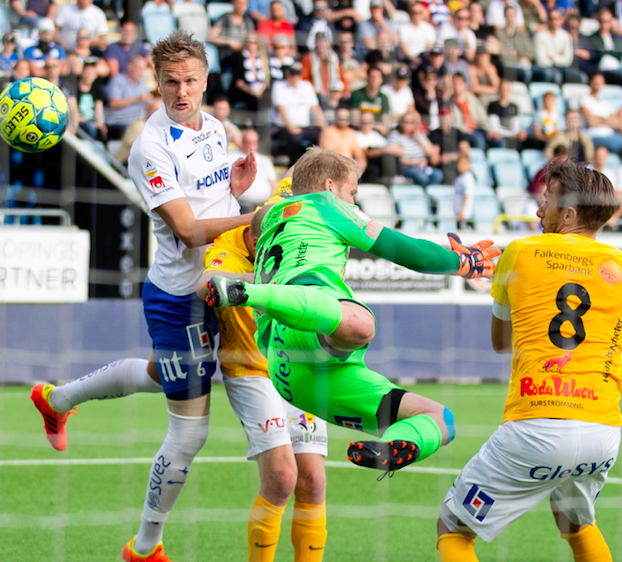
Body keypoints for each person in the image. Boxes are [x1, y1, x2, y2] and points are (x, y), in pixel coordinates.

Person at [29, 31, 258, 562]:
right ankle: (145, 547)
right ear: (155, 83)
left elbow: (211, 202)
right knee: (191, 431)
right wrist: (255, 216)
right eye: (171, 82)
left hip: (223, 281)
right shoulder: (149, 148)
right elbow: (188, 230)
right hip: (181, 297)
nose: (182, 92)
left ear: (205, 81)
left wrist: (237, 191)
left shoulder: (216, 128)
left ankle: (56, 399)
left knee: (162, 376)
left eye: (191, 81)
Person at [206, 147, 499, 478]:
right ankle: (247, 294)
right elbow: (405, 250)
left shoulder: (272, 216)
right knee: (360, 323)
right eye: (352, 192)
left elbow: (295, 180)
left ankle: (392, 447)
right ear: (330, 187)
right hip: (305, 326)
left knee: (439, 418)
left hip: (291, 368)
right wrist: (461, 262)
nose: (355, 204)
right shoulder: (327, 206)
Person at [436, 160, 621, 562]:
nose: (539, 211)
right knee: (576, 522)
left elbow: (501, 344)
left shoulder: (519, 252)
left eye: (547, 201)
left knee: (452, 527)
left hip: (537, 425)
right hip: (603, 431)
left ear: (568, 213)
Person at [197, 194, 330, 562]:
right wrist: (266, 280)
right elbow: (209, 284)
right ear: (257, 242)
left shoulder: (291, 227)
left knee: (313, 480)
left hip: (299, 366)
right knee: (283, 477)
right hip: (250, 370)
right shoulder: (229, 250)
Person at [272, 62, 325, 166]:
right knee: (295, 138)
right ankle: (293, 167)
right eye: (292, 74)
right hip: (283, 126)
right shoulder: (279, 86)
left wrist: (324, 127)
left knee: (321, 136)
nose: (294, 77)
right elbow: (281, 109)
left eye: (297, 75)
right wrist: (291, 127)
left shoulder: (306, 86)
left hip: (304, 126)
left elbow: (315, 108)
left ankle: (316, 165)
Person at [104, 55, 152, 140]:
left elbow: (147, 106)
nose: (141, 72)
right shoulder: (118, 80)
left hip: (138, 124)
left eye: (143, 69)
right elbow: (113, 103)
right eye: (139, 68)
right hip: (119, 123)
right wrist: (137, 99)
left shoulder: (142, 85)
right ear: (129, 67)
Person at [388, 114, 444, 187]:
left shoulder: (419, 135)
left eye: (411, 122)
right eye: (405, 122)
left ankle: (428, 195)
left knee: (438, 175)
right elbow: (397, 159)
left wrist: (418, 137)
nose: (407, 125)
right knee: (422, 178)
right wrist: (416, 162)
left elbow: (431, 152)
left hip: (422, 168)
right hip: (406, 168)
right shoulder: (395, 135)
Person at [229, 129, 278, 210]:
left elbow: (273, 182)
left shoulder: (265, 160)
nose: (251, 145)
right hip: (242, 203)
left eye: (254, 142)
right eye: (248, 142)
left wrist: (271, 202)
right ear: (242, 142)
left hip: (263, 204)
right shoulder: (231, 157)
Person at [533, 9, 581, 84]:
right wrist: (558, 55)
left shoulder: (566, 36)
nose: (554, 22)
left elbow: (567, 61)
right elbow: (541, 61)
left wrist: (551, 56)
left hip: (562, 68)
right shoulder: (540, 35)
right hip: (545, 68)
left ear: (560, 20)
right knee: (555, 76)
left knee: (581, 77)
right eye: (551, 19)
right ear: (548, 20)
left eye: (556, 19)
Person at [580, 72, 622, 154]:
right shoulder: (585, 99)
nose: (597, 84)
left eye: (600, 83)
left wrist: (598, 119)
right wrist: (607, 121)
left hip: (610, 136)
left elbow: (617, 123)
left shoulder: (606, 103)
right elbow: (591, 122)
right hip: (594, 136)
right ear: (591, 82)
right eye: (595, 82)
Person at [67, 58, 107, 139]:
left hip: (92, 122)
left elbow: (99, 110)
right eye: (87, 72)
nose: (89, 75)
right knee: (90, 128)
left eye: (92, 73)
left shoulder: (97, 90)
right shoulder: (74, 88)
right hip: (79, 122)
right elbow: (73, 111)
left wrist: (100, 124)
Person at [495, 5, 536, 84]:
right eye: (508, 15)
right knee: (526, 73)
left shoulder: (521, 33)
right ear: (504, 16)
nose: (511, 17)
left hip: (522, 64)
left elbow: (531, 52)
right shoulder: (499, 33)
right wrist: (519, 55)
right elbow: (502, 54)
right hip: (508, 65)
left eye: (512, 15)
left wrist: (519, 54)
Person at [451, 72, 492, 149]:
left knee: (498, 141)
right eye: (454, 84)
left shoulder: (472, 99)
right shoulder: (449, 103)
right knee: (478, 139)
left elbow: (482, 116)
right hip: (462, 132)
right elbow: (452, 123)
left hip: (478, 128)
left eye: (459, 84)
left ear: (464, 84)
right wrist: (463, 128)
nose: (456, 87)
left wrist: (490, 129)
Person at [430, 106, 471, 184]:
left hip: (457, 166)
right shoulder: (434, 135)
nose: (445, 119)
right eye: (443, 117)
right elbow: (434, 160)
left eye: (447, 117)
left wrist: (452, 156)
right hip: (442, 167)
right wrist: (443, 159)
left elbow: (466, 152)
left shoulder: (458, 133)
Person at [357, 110, 400, 185]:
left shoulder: (376, 135)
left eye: (369, 122)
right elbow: (365, 153)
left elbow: (395, 149)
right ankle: (389, 181)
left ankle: (394, 178)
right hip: (369, 166)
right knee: (387, 156)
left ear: (373, 123)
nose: (366, 125)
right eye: (363, 122)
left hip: (381, 165)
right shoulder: (356, 135)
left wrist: (389, 149)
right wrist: (384, 150)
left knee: (390, 156)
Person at [229, 33, 269, 112]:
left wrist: (259, 91)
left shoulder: (263, 57)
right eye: (249, 42)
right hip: (245, 91)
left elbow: (266, 79)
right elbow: (238, 82)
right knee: (254, 101)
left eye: (254, 42)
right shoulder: (238, 57)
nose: (251, 44)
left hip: (260, 91)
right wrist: (252, 92)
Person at [349, 66, 391, 135]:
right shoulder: (357, 94)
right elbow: (354, 121)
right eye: (372, 77)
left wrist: (371, 125)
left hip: (377, 133)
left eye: (377, 77)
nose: (374, 80)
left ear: (381, 80)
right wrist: (369, 125)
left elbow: (386, 123)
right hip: (359, 132)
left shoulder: (384, 98)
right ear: (367, 78)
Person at [487, 80, 527, 150]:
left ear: (510, 91)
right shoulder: (492, 106)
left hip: (511, 135)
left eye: (506, 90)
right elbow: (494, 126)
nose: (504, 92)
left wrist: (517, 133)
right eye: (502, 89)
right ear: (498, 90)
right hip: (499, 136)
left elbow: (515, 125)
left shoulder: (514, 107)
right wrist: (509, 134)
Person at [454, 153, 475, 227]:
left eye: (463, 163)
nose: (460, 165)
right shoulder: (460, 177)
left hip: (465, 214)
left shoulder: (467, 178)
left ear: (469, 165)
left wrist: (462, 211)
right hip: (459, 213)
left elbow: (467, 195)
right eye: (459, 163)